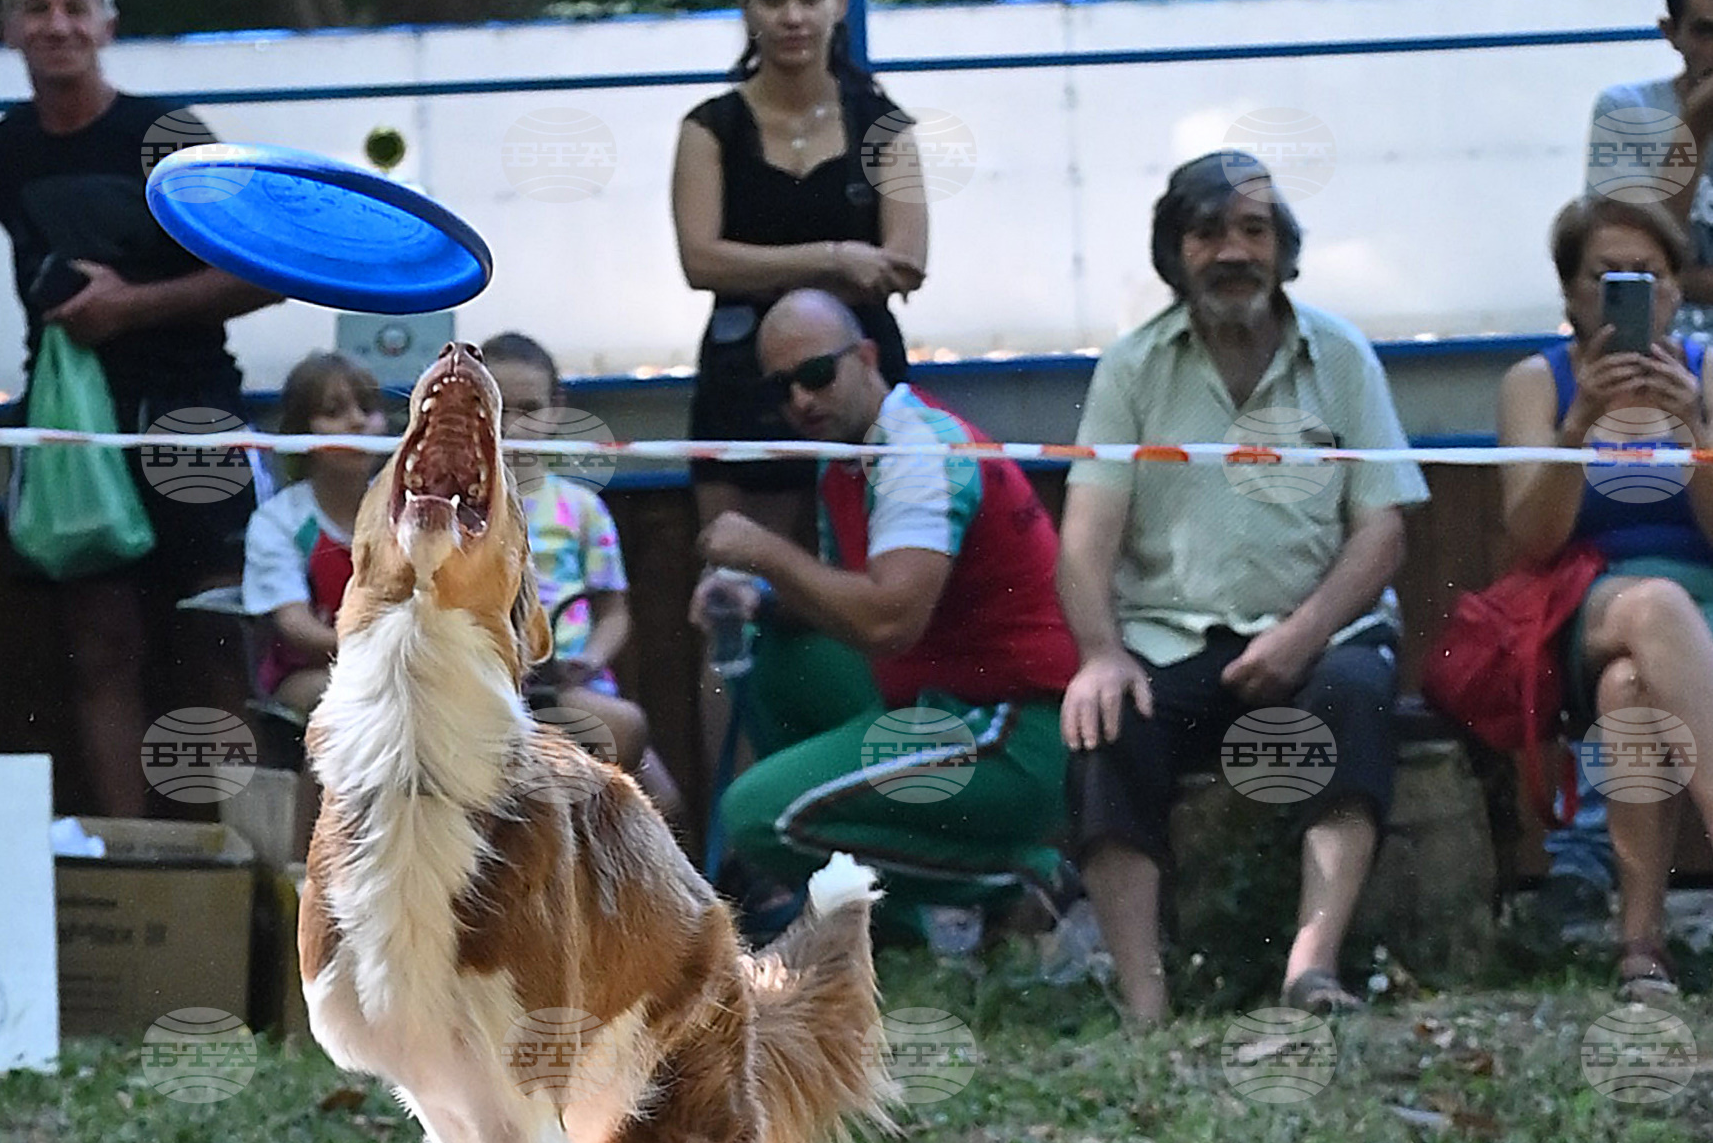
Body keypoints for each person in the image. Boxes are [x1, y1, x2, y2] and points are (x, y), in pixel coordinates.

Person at [0, 0, 276, 818]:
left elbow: (260, 271)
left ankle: (238, 872)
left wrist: (130, 307)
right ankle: (137, 864)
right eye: (37, 9)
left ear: (107, 26)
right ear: (9, 29)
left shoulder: (166, 134)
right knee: (101, 644)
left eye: (73, 8)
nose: (57, 25)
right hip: (69, 431)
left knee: (214, 638)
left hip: (190, 415)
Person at [1056, 150, 1429, 1027]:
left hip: (1320, 635)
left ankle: (1310, 966)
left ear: (1282, 248)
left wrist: (1302, 634)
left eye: (1253, 231)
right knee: (1103, 730)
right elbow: (1084, 543)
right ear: (1172, 251)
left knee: (1352, 692)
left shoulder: (1339, 356)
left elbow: (1381, 529)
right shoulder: (1130, 369)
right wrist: (1101, 655)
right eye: (1208, 232)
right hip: (1170, 641)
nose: (1233, 251)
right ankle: (1145, 1001)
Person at [694, 290, 1078, 937]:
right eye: (780, 389)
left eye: (816, 375)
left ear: (867, 357)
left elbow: (887, 622)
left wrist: (765, 555)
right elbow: (855, 600)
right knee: (766, 652)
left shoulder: (916, 455)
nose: (800, 402)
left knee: (758, 819)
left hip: (1012, 728)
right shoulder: (851, 453)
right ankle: (928, 897)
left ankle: (1014, 885)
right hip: (938, 702)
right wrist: (755, 598)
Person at [1497, 189, 1713, 1001]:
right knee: (1652, 608)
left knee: (1633, 689)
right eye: (1605, 276)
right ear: (1568, 292)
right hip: (1584, 599)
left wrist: (1697, 434)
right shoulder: (1536, 382)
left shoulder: (1706, 373)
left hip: (1700, 610)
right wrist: (1576, 425)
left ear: (1674, 289)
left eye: (1648, 276)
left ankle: (1641, 948)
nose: (1630, 292)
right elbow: (1531, 539)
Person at [670, 0, 926, 539]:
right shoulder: (708, 129)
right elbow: (700, 262)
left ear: (839, 3)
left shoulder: (885, 128)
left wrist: (761, 267)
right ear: (746, 11)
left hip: (860, 375)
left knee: (875, 569)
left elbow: (907, 263)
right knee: (738, 585)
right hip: (742, 375)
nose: (793, 17)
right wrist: (838, 259)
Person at [479, 330, 686, 834]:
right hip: (492, 685)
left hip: (572, 680)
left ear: (558, 409)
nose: (514, 429)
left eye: (530, 409)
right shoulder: (460, 507)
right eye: (498, 410)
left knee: (666, 802)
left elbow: (613, 612)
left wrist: (588, 659)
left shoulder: (582, 508)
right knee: (622, 732)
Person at [241, 351, 387, 718]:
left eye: (367, 409)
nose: (357, 422)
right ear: (299, 434)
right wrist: (384, 651)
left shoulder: (405, 512)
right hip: (306, 674)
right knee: (357, 705)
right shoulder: (279, 521)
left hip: (399, 670)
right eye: (334, 412)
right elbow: (295, 627)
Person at [1585, 0, 1713, 336]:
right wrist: (1693, 126)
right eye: (1705, 31)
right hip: (1661, 352)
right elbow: (1635, 267)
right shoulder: (1627, 110)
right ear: (1671, 33)